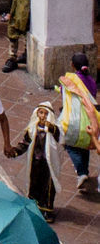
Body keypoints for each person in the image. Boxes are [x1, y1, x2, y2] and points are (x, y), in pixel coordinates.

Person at [13, 102, 62, 220]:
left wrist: (50, 127)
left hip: (48, 164)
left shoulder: (53, 129)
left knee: (47, 186)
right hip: (35, 162)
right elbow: (25, 142)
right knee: (34, 184)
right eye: (41, 112)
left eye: (46, 113)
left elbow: (60, 138)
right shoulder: (32, 129)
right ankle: (34, 207)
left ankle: (47, 210)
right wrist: (15, 152)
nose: (43, 116)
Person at [59, 51, 100, 191]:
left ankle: (81, 172)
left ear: (72, 65)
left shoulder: (70, 80)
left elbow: (64, 93)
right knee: (85, 146)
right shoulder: (92, 82)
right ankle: (85, 171)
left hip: (75, 120)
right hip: (90, 119)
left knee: (70, 145)